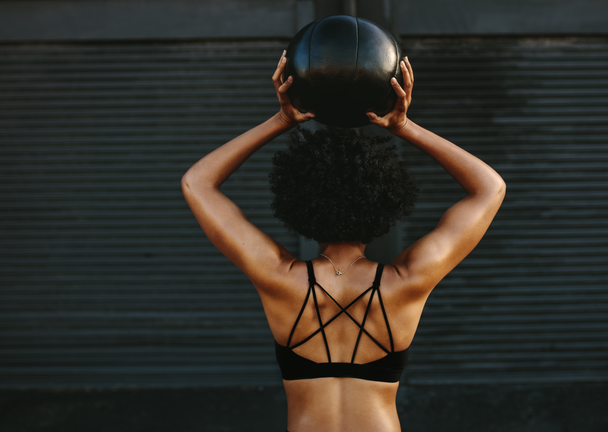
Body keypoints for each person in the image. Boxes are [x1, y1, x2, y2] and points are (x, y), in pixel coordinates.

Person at [182, 51, 506, 432]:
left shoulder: (277, 276)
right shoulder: (408, 280)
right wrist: (403, 127)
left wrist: (282, 120)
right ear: (383, 205)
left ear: (301, 206)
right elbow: (490, 188)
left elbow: (197, 182)